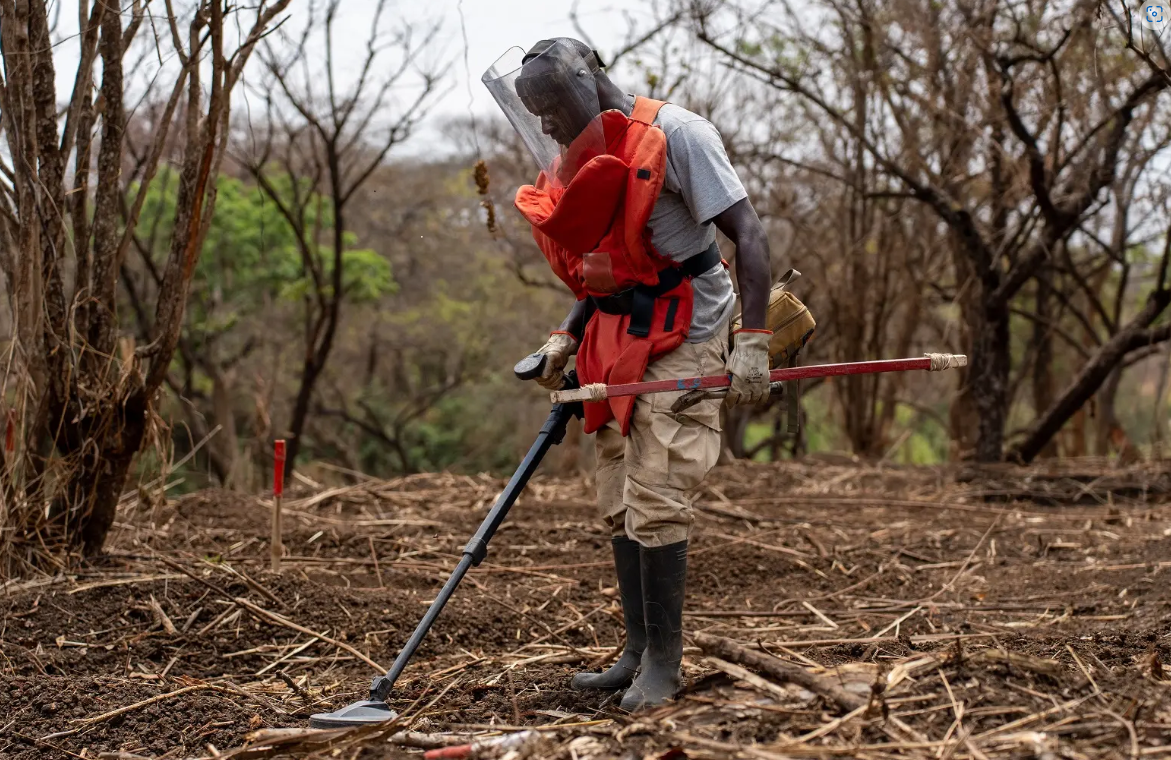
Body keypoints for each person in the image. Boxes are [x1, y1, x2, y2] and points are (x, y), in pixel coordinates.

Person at [492, 37, 773, 711]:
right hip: (618, 334)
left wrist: (754, 342)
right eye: (534, 112)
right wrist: (567, 333)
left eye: (552, 107)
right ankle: (637, 651)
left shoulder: (677, 135)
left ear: (586, 85)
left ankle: (665, 667)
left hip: (691, 327)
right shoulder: (587, 154)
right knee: (619, 493)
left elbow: (749, 235)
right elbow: (611, 261)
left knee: (658, 489)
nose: (547, 125)